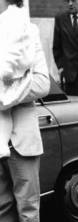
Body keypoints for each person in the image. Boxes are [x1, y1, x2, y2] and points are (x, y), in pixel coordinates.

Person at [0, 15, 50, 222]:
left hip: (23, 136)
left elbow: (42, 83)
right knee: (2, 204)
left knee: (28, 206)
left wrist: (6, 95)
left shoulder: (28, 31)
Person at [0, 0, 34, 159]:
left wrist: (6, 71)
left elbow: (14, 50)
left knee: (3, 109)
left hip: (11, 75)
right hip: (11, 73)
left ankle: (1, 144)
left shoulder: (12, 18)